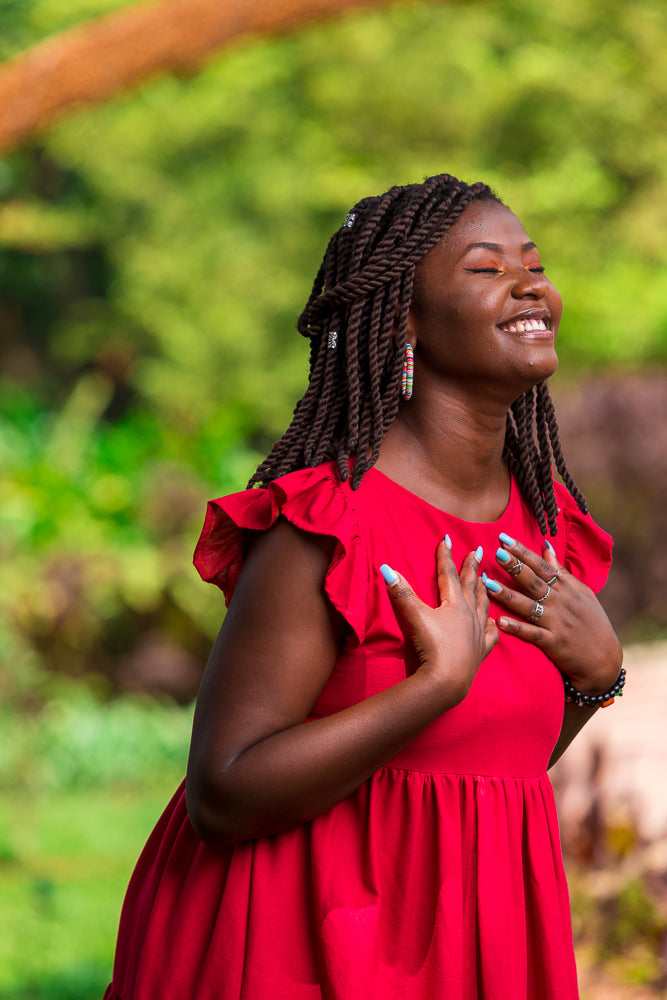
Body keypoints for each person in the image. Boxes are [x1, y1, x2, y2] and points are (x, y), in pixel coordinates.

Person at [103, 173, 624, 1000]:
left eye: (534, 263)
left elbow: (487, 768)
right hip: (294, 946)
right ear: (403, 320)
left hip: (463, 940)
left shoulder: (544, 525)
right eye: (487, 269)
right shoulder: (327, 525)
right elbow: (224, 793)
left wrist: (597, 681)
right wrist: (433, 687)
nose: (531, 284)